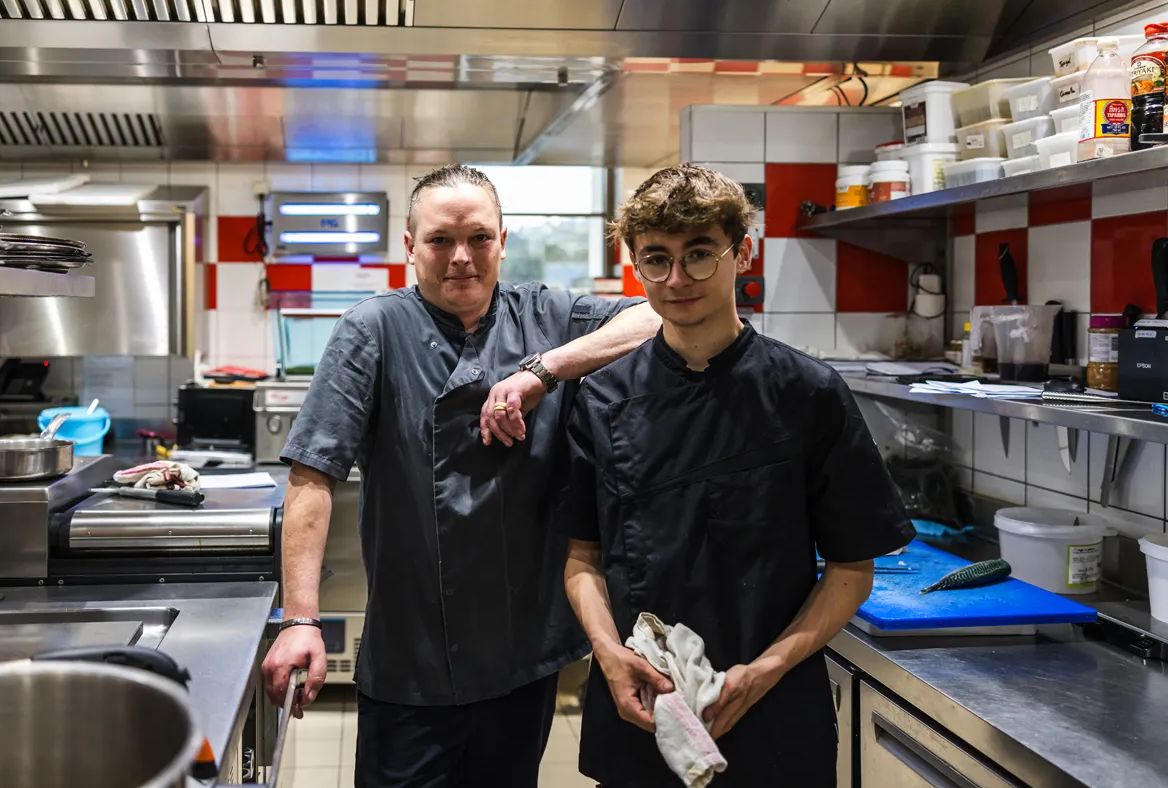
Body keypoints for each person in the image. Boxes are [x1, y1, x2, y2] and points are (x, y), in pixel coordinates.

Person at [261, 164, 660, 787]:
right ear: (410, 247)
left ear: (504, 240)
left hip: (520, 653)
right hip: (411, 658)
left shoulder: (546, 315)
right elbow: (314, 475)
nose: (461, 259)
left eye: (478, 238)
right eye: (441, 241)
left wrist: (543, 371)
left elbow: (654, 316)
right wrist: (301, 620)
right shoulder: (373, 329)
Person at [560, 165, 916, 786]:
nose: (677, 280)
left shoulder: (807, 393)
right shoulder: (602, 399)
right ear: (635, 265)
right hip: (643, 706)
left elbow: (853, 570)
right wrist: (609, 656)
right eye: (656, 259)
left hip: (773, 710)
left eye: (699, 255)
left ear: (740, 253)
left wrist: (767, 670)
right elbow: (581, 558)